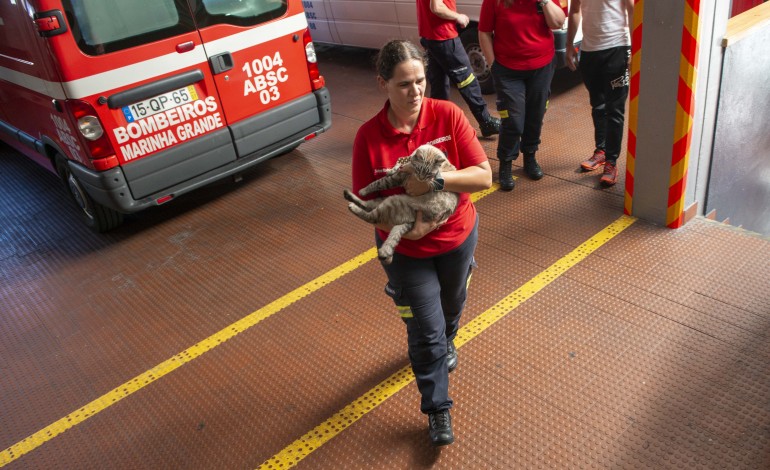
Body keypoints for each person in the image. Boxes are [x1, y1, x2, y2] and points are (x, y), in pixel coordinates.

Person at [351, 39, 492, 447]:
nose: (415, 92)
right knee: (425, 333)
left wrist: (436, 181)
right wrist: (412, 226)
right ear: (383, 84)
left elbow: (482, 176)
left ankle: (450, 332)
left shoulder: (447, 115)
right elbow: (371, 202)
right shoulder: (368, 138)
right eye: (403, 85)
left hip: (458, 237)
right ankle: (437, 409)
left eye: (421, 81)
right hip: (408, 254)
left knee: (453, 304)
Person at [478, 0, 566, 191]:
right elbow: (484, 32)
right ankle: (506, 163)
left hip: (542, 66)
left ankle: (530, 156)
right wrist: (494, 66)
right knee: (513, 121)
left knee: (536, 115)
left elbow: (558, 23)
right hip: (508, 70)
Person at [566, 0, 633, 186]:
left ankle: (611, 162)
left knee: (615, 110)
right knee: (598, 106)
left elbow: (631, 8)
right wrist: (569, 44)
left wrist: (635, 47)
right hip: (589, 51)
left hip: (617, 48)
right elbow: (575, 11)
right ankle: (601, 151)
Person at [416, 0, 501, 138]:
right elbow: (436, 7)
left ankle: (438, 125)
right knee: (468, 80)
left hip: (430, 35)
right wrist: (457, 16)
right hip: (444, 36)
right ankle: (485, 121)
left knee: (439, 84)